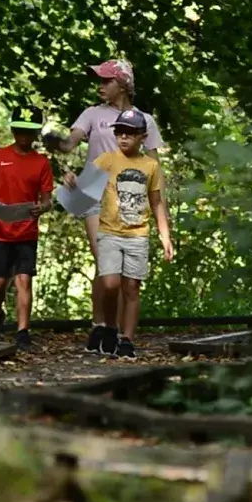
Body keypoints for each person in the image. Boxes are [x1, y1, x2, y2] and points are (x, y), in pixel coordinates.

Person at [42, 59, 169, 355]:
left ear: (123, 83)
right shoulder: (91, 114)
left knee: (125, 271)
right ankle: (100, 325)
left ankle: (120, 334)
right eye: (98, 81)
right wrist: (56, 143)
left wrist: (161, 207)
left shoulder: (144, 120)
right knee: (106, 262)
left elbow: (154, 166)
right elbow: (70, 143)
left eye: (106, 81)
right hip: (94, 188)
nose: (100, 86)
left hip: (129, 194)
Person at [63, 108, 174, 358]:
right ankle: (110, 327)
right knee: (111, 284)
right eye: (119, 132)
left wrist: (165, 235)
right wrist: (72, 180)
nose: (123, 138)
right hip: (110, 232)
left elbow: (156, 201)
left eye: (130, 134)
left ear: (142, 137)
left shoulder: (150, 165)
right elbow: (86, 182)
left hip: (138, 234)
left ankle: (127, 339)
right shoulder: (108, 159)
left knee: (132, 287)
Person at [0, 104, 54, 350]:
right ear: (12, 129)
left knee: (23, 280)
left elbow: (48, 200)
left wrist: (44, 207)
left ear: (36, 133)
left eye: (29, 131)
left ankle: (22, 332)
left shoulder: (41, 163)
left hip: (26, 231)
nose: (23, 136)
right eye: (19, 130)